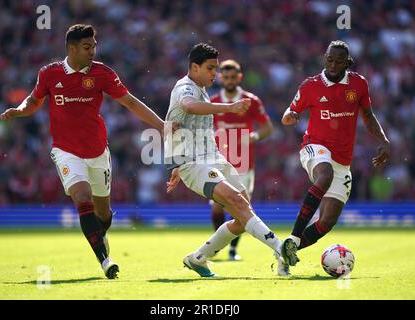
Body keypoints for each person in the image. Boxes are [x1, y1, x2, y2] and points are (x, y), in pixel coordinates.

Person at [0, 24, 164, 279]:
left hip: (98, 151)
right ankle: (105, 261)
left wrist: (161, 126)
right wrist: (20, 110)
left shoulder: (103, 74)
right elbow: (34, 100)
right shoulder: (49, 73)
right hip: (66, 151)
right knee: (81, 196)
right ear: (71, 48)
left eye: (94, 46)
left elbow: (130, 101)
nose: (93, 51)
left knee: (103, 213)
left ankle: (100, 236)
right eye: (87, 47)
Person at [165, 43, 298, 277]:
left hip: (215, 157)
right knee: (236, 202)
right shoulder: (185, 87)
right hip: (196, 163)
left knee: (243, 212)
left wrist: (175, 160)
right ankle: (279, 248)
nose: (214, 74)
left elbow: (184, 123)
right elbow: (188, 106)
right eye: (210, 69)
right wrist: (229, 107)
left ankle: (198, 258)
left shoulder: (201, 88)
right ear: (194, 67)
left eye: (216, 69)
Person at [281, 40, 390, 275]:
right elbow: (290, 112)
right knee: (325, 175)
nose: (332, 64)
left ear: (347, 62)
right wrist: (290, 116)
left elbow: (369, 116)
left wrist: (383, 140)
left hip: (343, 159)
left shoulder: (359, 84)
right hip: (314, 147)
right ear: (324, 58)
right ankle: (293, 235)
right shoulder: (310, 86)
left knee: (327, 221)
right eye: (329, 59)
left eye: (339, 61)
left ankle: (287, 250)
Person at [210, 59, 274, 261]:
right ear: (221, 78)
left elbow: (267, 128)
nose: (229, 80)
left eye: (232, 77)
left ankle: (232, 250)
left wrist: (253, 137)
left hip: (245, 163)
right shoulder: (213, 102)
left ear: (239, 77)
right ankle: (219, 245)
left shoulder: (251, 101)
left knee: (241, 208)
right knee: (217, 207)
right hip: (219, 162)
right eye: (225, 76)